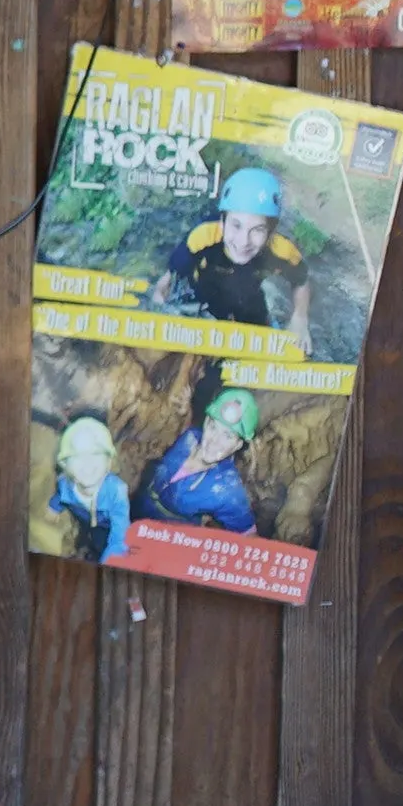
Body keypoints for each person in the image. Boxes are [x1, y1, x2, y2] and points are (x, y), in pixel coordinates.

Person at [151, 166, 312, 352]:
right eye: (236, 225)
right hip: (203, 289)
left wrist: (300, 318)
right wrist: (158, 299)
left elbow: (301, 280)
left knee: (256, 324)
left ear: (270, 233)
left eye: (258, 230)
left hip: (248, 291)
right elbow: (170, 275)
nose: (243, 242)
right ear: (222, 223)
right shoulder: (202, 236)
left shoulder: (281, 249)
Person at [137, 388, 261, 535]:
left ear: (237, 445)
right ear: (206, 422)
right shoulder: (188, 437)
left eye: (227, 436)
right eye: (213, 427)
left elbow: (250, 537)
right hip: (136, 517)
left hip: (168, 542)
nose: (215, 440)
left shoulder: (227, 490)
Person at [48, 416, 133, 564]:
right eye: (77, 456)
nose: (87, 464)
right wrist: (54, 508)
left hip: (106, 525)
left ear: (108, 462)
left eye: (96, 454)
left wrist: (112, 559)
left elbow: (121, 535)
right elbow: (60, 495)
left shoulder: (117, 492)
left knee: (103, 544)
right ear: (65, 465)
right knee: (83, 536)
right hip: (83, 518)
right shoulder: (65, 484)